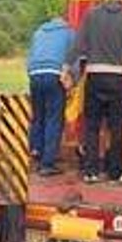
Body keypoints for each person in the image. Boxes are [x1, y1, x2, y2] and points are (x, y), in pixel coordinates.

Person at [66, 0, 122, 183]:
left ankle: (91, 171)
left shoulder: (91, 15)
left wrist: (66, 67)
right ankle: (115, 172)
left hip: (95, 76)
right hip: (119, 79)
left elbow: (78, 45)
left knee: (91, 126)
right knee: (116, 127)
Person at [27, 16, 75, 176]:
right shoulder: (68, 32)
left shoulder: (38, 32)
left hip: (34, 74)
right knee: (54, 118)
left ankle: (36, 151)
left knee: (38, 116)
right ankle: (47, 163)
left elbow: (30, 57)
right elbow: (73, 58)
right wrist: (72, 81)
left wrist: (32, 75)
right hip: (54, 74)